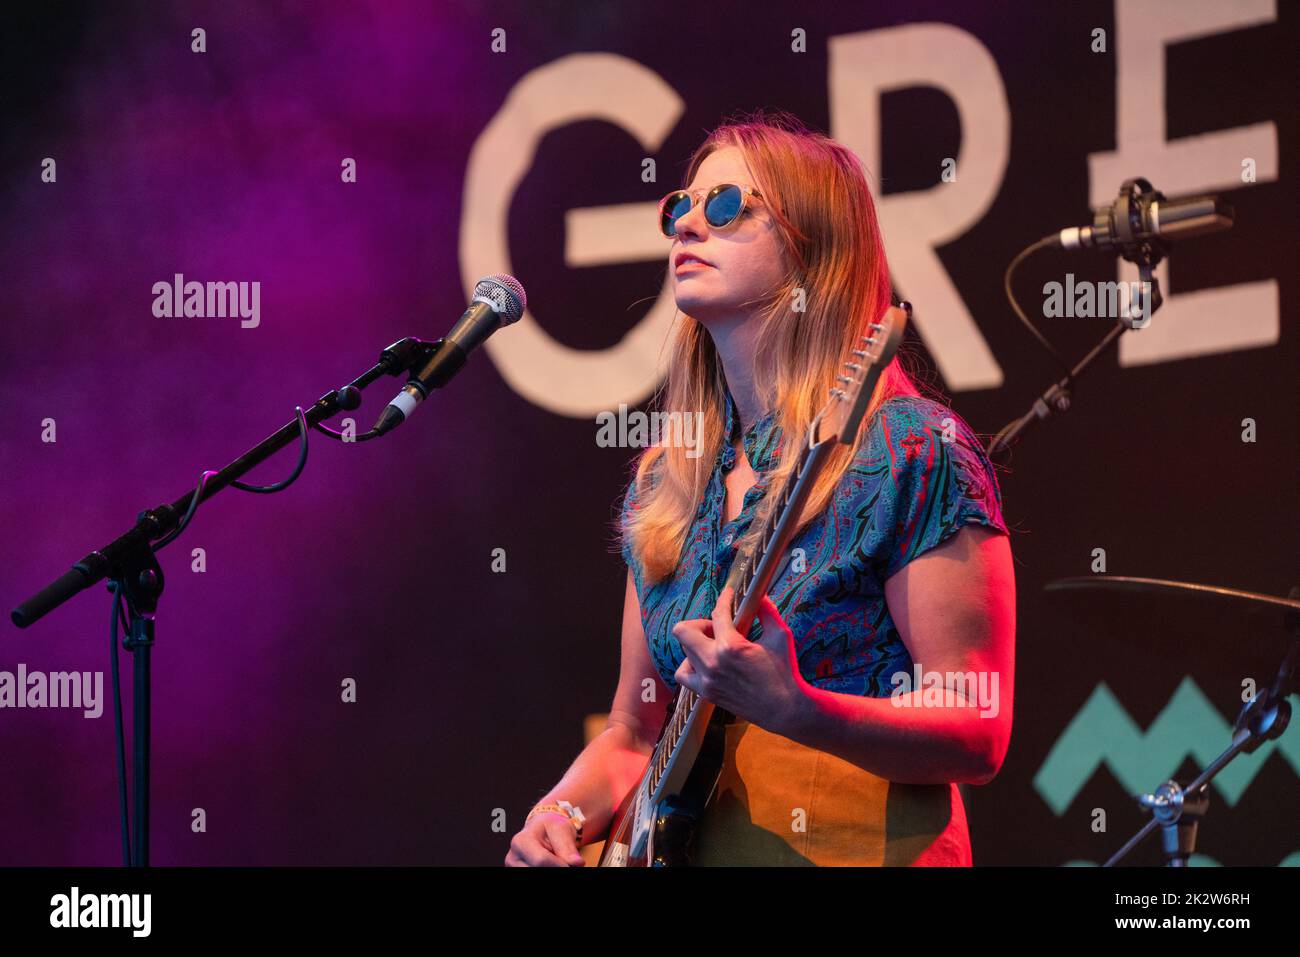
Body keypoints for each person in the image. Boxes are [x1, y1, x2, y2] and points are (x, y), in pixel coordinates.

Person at [506, 110, 1015, 867]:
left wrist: (801, 711)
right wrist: (560, 809)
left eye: (722, 208)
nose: (685, 227)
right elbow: (634, 730)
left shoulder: (909, 447)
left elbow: (978, 728)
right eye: (677, 208)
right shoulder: (666, 482)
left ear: (815, 250)